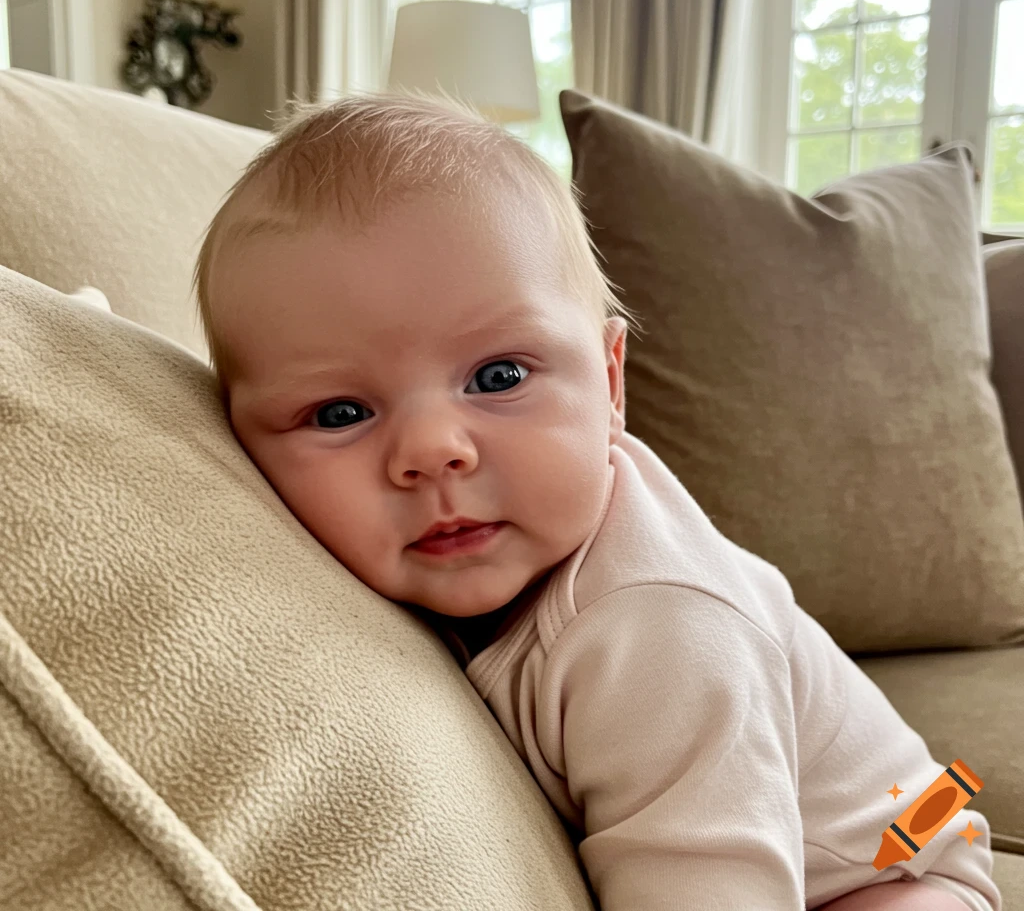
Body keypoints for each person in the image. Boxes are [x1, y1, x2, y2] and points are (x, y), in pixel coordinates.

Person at [190, 92, 1001, 911]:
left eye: (499, 377)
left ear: (611, 382)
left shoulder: (657, 629)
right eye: (340, 413)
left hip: (895, 852)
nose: (434, 450)